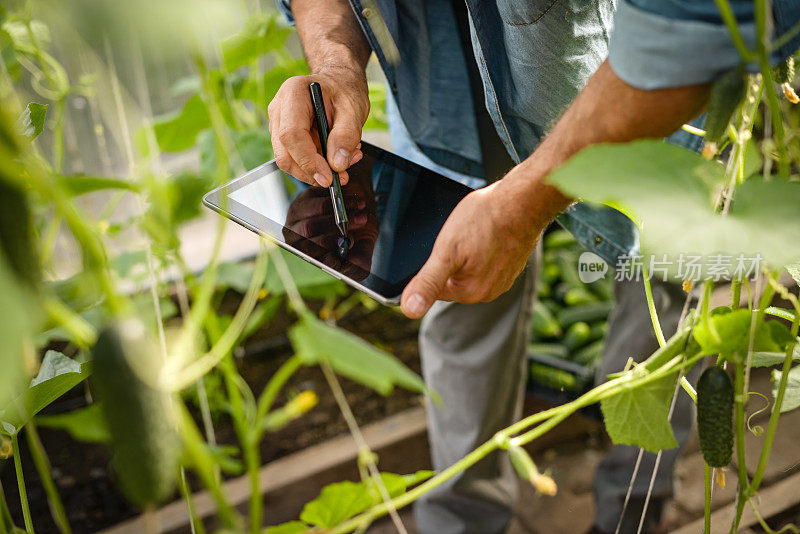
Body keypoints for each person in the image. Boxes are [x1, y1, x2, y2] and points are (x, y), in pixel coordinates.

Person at [269, 1, 800, 533]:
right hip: (443, 98)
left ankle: (632, 511)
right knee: (456, 298)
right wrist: (336, 67)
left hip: (620, 87)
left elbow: (692, 29)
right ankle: (460, 523)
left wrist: (525, 204)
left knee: (657, 286)